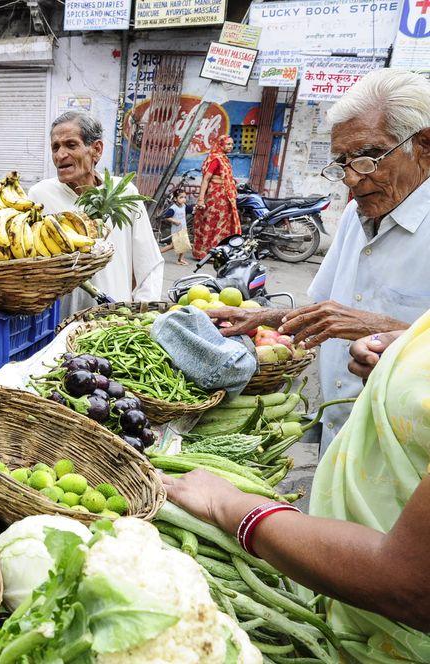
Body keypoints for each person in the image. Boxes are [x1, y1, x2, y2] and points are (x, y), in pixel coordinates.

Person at [164, 309, 430, 663]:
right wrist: (405, 350)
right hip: (347, 606)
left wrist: (229, 506)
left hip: (392, 643)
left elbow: (411, 587)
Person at [209, 68, 430, 453]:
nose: (351, 179)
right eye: (343, 161)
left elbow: (356, 322)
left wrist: (385, 330)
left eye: (368, 157)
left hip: (409, 457)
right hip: (340, 435)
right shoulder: (355, 217)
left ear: (424, 145)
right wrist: (260, 318)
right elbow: (326, 313)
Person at [28, 111, 164, 306]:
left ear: (96, 149)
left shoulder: (123, 192)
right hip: (57, 324)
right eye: (55, 147)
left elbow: (149, 265)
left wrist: (142, 313)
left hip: (112, 321)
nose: (60, 155)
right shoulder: (39, 196)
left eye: (71, 145)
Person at [192, 134, 242, 260]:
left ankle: (218, 252)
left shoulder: (224, 159)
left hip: (225, 198)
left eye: (231, 144)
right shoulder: (215, 159)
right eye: (228, 144)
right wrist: (201, 199)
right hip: (215, 197)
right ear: (220, 144)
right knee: (212, 223)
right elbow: (206, 179)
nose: (231, 146)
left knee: (223, 225)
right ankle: (205, 253)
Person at [159, 190, 191, 265]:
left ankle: (180, 259)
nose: (183, 199)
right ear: (175, 199)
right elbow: (166, 217)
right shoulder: (173, 208)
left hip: (183, 229)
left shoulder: (184, 206)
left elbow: (190, 210)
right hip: (176, 230)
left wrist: (195, 208)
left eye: (184, 197)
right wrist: (174, 221)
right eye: (181, 197)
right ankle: (157, 253)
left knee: (184, 244)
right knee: (172, 245)